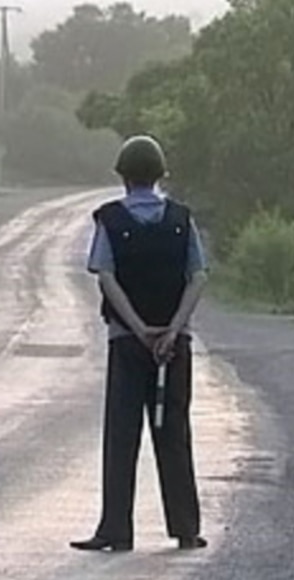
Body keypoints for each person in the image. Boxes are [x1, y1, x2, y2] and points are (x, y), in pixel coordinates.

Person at [71, 135, 209, 552]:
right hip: (174, 345)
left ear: (124, 177)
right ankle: (186, 528)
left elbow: (106, 276)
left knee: (122, 434)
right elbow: (198, 276)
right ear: (159, 175)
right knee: (174, 432)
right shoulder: (182, 219)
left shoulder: (111, 220)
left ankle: (116, 529)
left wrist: (138, 328)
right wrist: (172, 329)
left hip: (128, 342)